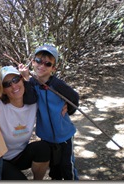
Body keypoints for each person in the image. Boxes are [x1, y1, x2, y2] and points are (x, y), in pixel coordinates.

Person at [19, 44, 79, 180]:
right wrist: (26, 79)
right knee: (54, 168)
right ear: (33, 61)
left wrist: (68, 108)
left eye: (47, 64)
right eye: (38, 61)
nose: (41, 66)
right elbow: (29, 99)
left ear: (53, 68)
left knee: (66, 166)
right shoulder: (33, 83)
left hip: (64, 135)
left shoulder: (57, 85)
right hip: (46, 137)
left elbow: (74, 97)